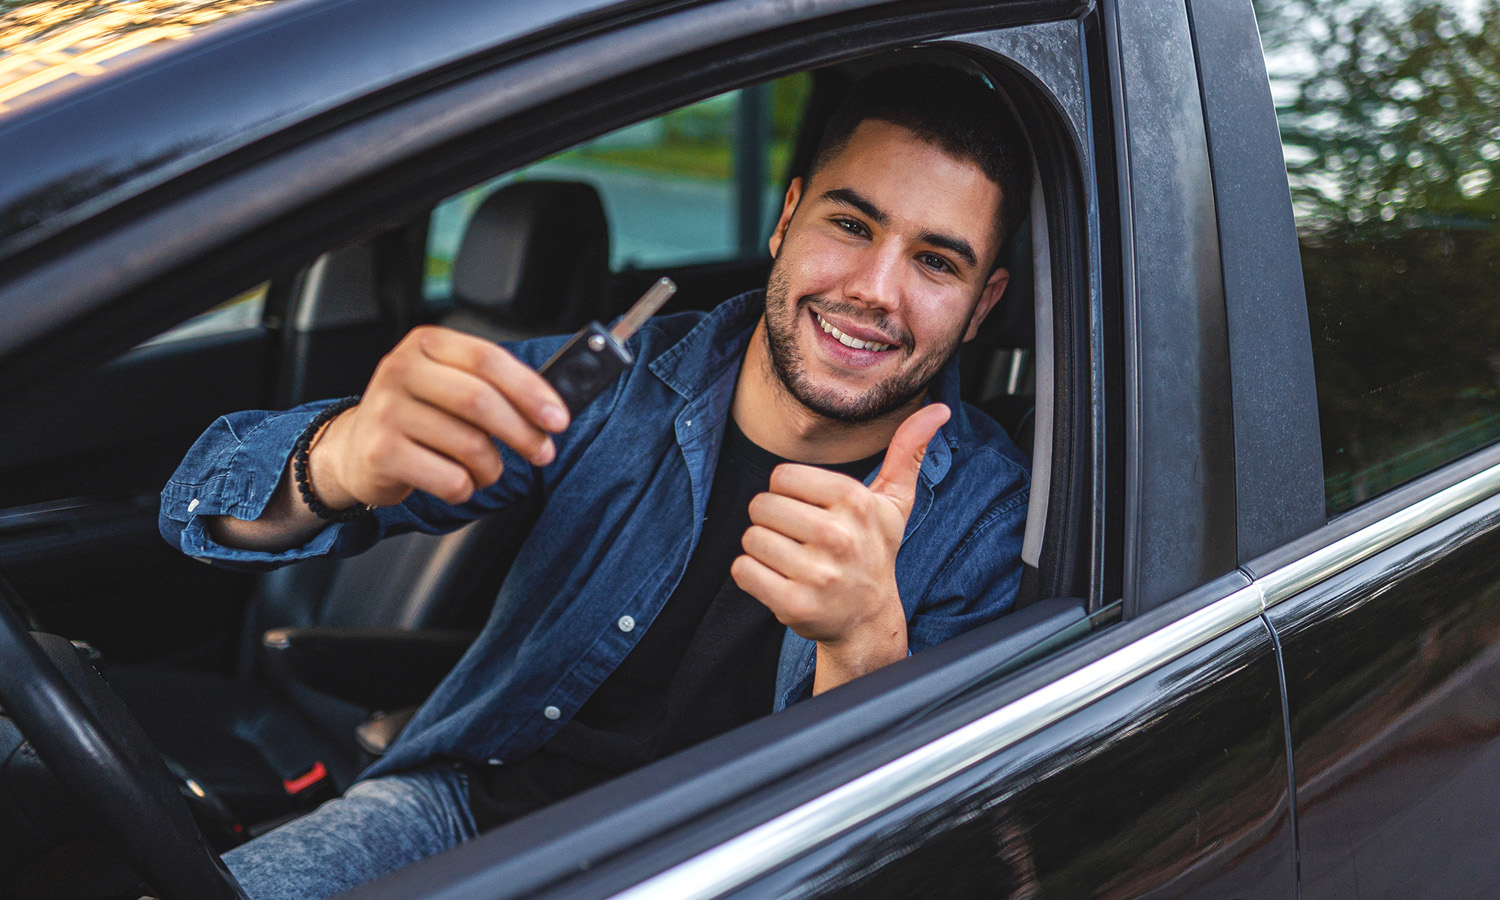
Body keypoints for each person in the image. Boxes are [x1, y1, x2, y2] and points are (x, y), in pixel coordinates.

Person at [159, 63, 1033, 899]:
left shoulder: (991, 512)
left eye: (935, 262)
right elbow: (196, 504)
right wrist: (340, 460)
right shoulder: (619, 380)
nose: (876, 290)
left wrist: (864, 645)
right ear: (788, 216)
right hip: (468, 817)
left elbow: (930, 855)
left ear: (982, 303)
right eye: (851, 224)